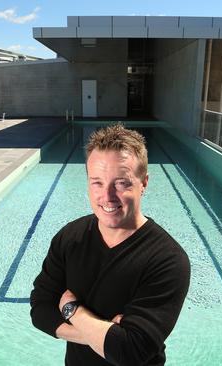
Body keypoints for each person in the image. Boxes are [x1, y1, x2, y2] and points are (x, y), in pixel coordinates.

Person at [30, 124, 190, 366]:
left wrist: (72, 310)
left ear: (144, 183)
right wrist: (102, 335)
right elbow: (40, 310)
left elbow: (131, 351)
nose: (107, 196)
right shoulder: (70, 237)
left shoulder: (167, 260)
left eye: (121, 183)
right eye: (97, 182)